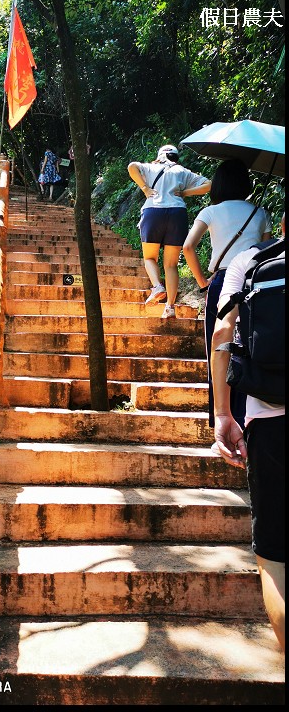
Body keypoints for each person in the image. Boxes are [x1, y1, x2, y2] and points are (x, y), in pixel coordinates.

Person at [211, 212, 285, 653]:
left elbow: (223, 333)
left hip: (270, 422)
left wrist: (223, 414)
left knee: (275, 556)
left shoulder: (250, 262)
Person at [183, 158, 272, 429]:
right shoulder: (260, 212)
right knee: (250, 349)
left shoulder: (210, 212)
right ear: (245, 183)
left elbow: (188, 247)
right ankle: (247, 420)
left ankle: (220, 421)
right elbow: (267, 254)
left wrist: (202, 282)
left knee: (219, 350)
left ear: (218, 185)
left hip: (222, 282)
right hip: (254, 284)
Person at [128, 145, 211, 318]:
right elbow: (208, 184)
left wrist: (145, 188)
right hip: (177, 214)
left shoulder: (151, 167)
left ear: (160, 156)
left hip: (153, 212)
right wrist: (185, 193)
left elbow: (132, 167)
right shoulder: (182, 171)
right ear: (176, 158)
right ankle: (170, 308)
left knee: (150, 257)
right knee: (171, 264)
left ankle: (157, 286)